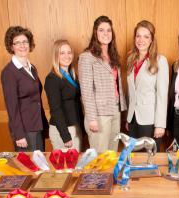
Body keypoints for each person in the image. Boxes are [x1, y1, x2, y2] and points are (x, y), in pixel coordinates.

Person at [78, 15, 127, 153]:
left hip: (115, 110)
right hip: (99, 115)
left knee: (112, 154)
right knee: (100, 157)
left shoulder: (113, 56)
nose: (106, 33)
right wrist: (92, 119)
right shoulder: (87, 57)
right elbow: (86, 92)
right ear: (95, 32)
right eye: (101, 30)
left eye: (109, 30)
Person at [1, 26, 47, 151]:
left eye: (25, 42)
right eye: (17, 42)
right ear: (11, 46)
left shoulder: (32, 68)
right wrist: (19, 135)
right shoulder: (9, 72)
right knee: (29, 168)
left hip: (37, 125)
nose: (22, 45)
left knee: (40, 166)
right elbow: (12, 107)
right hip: (24, 130)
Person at [125, 20, 169, 146]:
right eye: (138, 36)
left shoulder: (160, 61)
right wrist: (129, 118)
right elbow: (131, 92)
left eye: (146, 36)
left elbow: (162, 95)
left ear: (151, 40)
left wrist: (160, 125)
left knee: (150, 160)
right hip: (133, 119)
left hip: (150, 120)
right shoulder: (130, 59)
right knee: (134, 158)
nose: (141, 40)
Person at [44, 39, 83, 151]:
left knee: (75, 166)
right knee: (66, 167)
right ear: (56, 56)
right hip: (63, 129)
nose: (67, 56)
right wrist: (65, 136)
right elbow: (56, 110)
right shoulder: (52, 78)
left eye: (69, 52)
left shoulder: (72, 75)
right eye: (62, 53)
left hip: (75, 126)